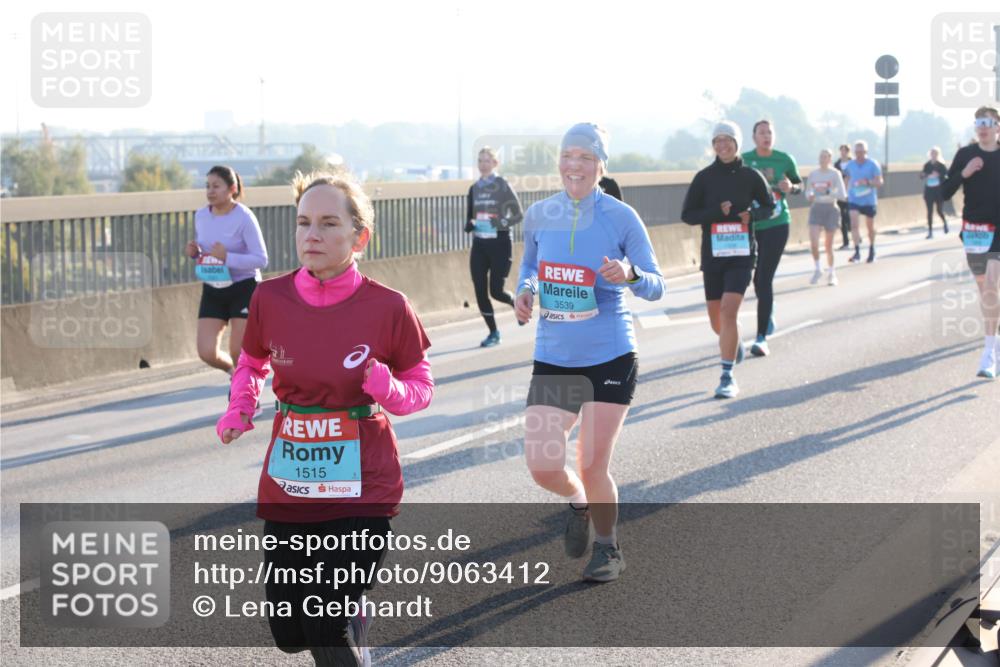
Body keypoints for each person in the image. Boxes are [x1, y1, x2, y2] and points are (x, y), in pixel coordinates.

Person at [216, 171, 434, 665]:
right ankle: (350, 618)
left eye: (328, 223)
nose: (311, 235)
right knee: (290, 631)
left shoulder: (389, 306)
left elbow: (420, 386)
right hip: (292, 481)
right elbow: (252, 362)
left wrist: (389, 389)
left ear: (360, 238)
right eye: (303, 222)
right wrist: (240, 405)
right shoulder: (269, 298)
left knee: (324, 622)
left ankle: (344, 619)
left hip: (364, 483)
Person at [514, 123, 665, 582]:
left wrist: (630, 273)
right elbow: (529, 266)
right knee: (542, 464)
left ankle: (608, 548)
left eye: (584, 156)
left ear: (600, 164)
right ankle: (578, 502)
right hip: (555, 355)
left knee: (592, 461)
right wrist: (525, 289)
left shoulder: (621, 217)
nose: (573, 165)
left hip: (610, 354)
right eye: (567, 156)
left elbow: (657, 285)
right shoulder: (540, 214)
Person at [681, 121, 774, 397]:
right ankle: (733, 342)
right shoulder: (704, 178)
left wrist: (752, 216)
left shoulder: (751, 176)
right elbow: (688, 215)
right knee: (717, 321)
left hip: (742, 255)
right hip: (713, 255)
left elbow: (770, 206)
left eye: (728, 140)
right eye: (717, 141)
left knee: (728, 310)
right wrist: (714, 212)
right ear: (713, 146)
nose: (722, 145)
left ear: (737, 143)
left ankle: (727, 376)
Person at [185, 165, 268, 379]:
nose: (210, 191)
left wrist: (228, 258)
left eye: (216, 186)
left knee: (238, 351)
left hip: (243, 287)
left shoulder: (244, 217)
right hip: (214, 285)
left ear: (231, 189)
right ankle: (235, 375)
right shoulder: (201, 215)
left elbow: (261, 259)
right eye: (207, 186)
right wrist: (196, 253)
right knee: (206, 352)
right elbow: (207, 251)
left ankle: (246, 397)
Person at [941, 106, 1000, 379]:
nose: (983, 127)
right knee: (984, 290)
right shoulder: (965, 154)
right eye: (979, 122)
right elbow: (944, 192)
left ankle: (989, 352)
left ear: (997, 126)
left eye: (988, 122)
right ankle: (995, 335)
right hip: (975, 230)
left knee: (990, 285)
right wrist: (964, 173)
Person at [742, 120, 803, 357]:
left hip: (778, 224)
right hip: (751, 225)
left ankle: (761, 338)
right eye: (761, 133)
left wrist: (791, 187)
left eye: (769, 132)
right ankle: (768, 310)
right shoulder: (744, 159)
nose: (766, 136)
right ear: (754, 137)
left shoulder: (784, 159)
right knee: (754, 280)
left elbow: (799, 186)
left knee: (763, 278)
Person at [465, 146, 524, 347]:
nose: (483, 165)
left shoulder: (502, 185)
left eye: (487, 161)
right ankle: (493, 333)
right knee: (480, 291)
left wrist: (499, 224)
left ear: (495, 163)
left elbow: (518, 215)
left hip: (500, 244)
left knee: (496, 291)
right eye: (480, 161)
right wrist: (469, 225)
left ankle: (515, 303)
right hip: (480, 245)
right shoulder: (474, 188)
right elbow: (469, 218)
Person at [806, 149, 848, 286]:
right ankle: (818, 269)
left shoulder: (835, 174)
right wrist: (810, 195)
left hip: (831, 208)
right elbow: (808, 192)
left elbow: (843, 195)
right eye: (821, 157)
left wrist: (829, 192)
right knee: (813, 243)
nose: (822, 159)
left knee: (828, 245)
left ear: (830, 159)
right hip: (816, 208)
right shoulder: (813, 174)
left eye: (825, 157)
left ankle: (831, 272)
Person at [842, 140, 884, 264]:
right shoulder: (850, 165)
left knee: (869, 227)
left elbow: (880, 182)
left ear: (866, 152)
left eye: (862, 152)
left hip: (869, 200)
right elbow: (847, 178)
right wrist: (844, 193)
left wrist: (868, 182)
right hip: (854, 198)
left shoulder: (873, 164)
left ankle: (872, 249)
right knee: (854, 224)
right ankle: (857, 251)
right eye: (857, 152)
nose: (859, 154)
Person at [920, 147, 950, 238]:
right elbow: (921, 175)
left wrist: (939, 175)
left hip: (938, 191)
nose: (933, 155)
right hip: (929, 191)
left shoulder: (941, 165)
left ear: (938, 155)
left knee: (939, 210)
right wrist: (926, 175)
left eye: (935, 153)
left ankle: (945, 223)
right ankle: (930, 232)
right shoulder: (927, 165)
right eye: (932, 153)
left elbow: (947, 176)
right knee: (929, 211)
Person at [834, 145, 853, 249]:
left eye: (844, 151)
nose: (843, 153)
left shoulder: (853, 163)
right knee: (842, 217)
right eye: (841, 151)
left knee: (850, 216)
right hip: (840, 194)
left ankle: (854, 233)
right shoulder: (837, 164)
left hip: (852, 193)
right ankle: (846, 242)